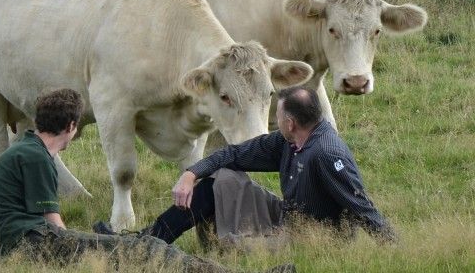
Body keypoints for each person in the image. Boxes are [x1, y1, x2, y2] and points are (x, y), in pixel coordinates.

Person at [0, 88, 293, 273]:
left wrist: (1, 249)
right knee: (145, 249)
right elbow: (54, 227)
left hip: (20, 243)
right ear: (72, 126)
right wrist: (84, 250)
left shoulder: (24, 150)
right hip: (34, 243)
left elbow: (4, 215)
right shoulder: (37, 157)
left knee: (126, 245)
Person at [95, 86, 395, 246]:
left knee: (239, 248)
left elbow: (361, 206)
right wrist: (191, 173)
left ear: (290, 122)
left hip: (309, 239)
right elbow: (234, 154)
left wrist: (393, 248)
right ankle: (147, 242)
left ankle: (156, 251)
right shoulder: (288, 141)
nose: (274, 120)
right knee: (221, 178)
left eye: (277, 115)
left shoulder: (326, 154)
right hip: (283, 217)